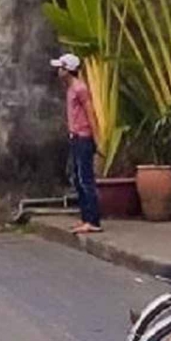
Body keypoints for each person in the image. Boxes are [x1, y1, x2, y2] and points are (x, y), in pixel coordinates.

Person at [51, 54, 101, 234]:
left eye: (61, 68)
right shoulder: (71, 89)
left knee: (86, 179)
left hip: (83, 137)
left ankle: (93, 220)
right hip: (75, 137)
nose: (58, 71)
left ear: (68, 70)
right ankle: (85, 217)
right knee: (77, 178)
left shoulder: (80, 88)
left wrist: (96, 138)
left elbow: (90, 112)